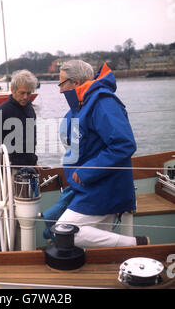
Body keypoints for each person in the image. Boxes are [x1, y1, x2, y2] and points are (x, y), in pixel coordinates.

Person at [43, 59, 149, 248]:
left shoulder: (102, 102)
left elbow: (124, 144)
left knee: (64, 233)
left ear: (75, 82)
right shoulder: (82, 105)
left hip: (104, 187)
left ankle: (135, 244)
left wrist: (85, 172)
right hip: (87, 186)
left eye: (61, 84)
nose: (60, 90)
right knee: (63, 225)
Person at [0, 69, 38, 191]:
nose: (25, 97)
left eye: (29, 93)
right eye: (22, 93)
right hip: (9, 170)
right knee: (11, 208)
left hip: (28, 168)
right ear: (13, 90)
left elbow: (31, 140)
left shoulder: (30, 110)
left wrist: (33, 161)